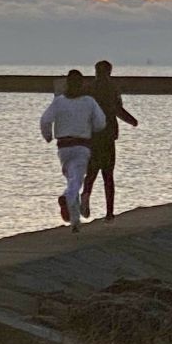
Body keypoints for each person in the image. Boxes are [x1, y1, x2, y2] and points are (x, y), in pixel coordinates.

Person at [40, 70, 106, 233]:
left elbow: (45, 120)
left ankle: (72, 211)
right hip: (82, 145)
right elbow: (100, 122)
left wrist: (48, 135)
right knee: (76, 180)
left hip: (63, 146)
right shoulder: (89, 102)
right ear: (82, 83)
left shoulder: (59, 102)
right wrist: (92, 128)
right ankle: (74, 218)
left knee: (72, 176)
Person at [81, 59, 139, 222]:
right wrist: (132, 121)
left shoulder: (88, 89)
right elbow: (117, 109)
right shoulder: (112, 88)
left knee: (91, 172)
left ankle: (85, 195)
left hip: (93, 136)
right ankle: (109, 213)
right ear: (109, 72)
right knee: (108, 175)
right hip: (108, 136)